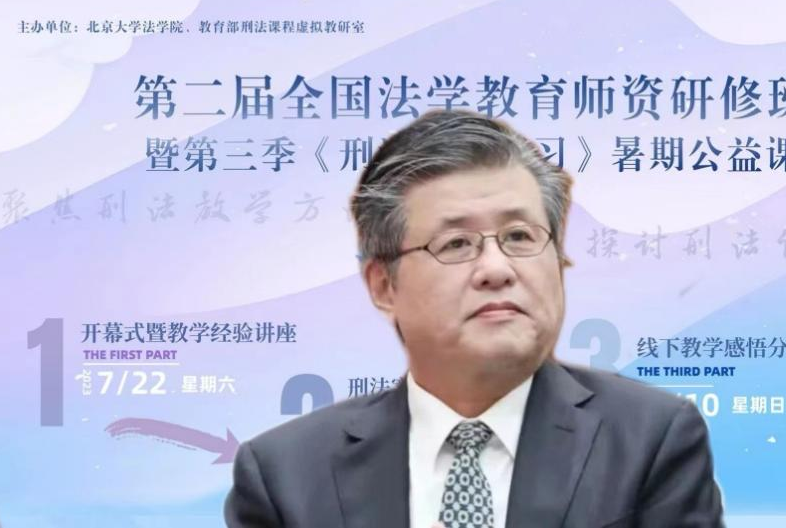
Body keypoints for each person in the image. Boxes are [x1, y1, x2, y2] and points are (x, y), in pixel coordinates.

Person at [224, 109, 726, 527]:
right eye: (456, 244)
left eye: (520, 237)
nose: (496, 269)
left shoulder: (650, 439)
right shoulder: (285, 474)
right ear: (383, 285)